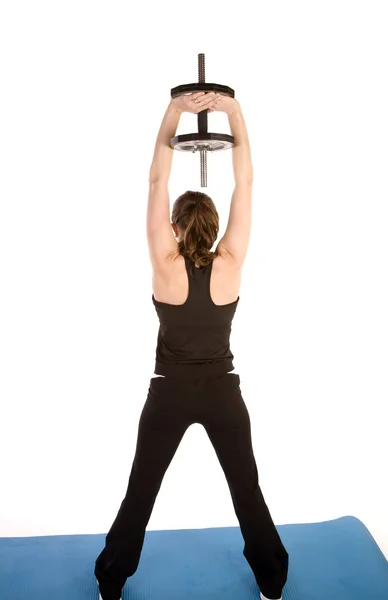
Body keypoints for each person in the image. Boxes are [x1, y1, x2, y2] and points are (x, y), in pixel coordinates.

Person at [94, 91, 289, 600]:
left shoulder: (165, 264)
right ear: (215, 226)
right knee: (246, 490)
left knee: (142, 491)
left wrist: (175, 113)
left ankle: (111, 582)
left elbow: (157, 179)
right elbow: (244, 181)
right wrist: (236, 112)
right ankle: (272, 582)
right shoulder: (231, 263)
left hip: (169, 395)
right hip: (224, 394)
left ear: (177, 226)